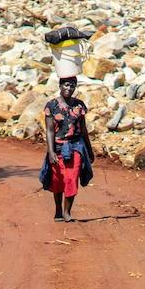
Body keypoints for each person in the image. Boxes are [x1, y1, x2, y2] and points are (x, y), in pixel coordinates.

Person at [40, 68, 94, 222]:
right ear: (60, 86)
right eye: (66, 85)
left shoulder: (79, 106)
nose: (68, 89)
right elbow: (50, 131)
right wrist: (50, 152)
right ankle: (58, 210)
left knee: (71, 178)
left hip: (76, 146)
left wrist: (89, 151)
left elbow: (83, 130)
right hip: (57, 147)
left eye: (72, 86)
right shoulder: (52, 106)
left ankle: (67, 212)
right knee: (57, 180)